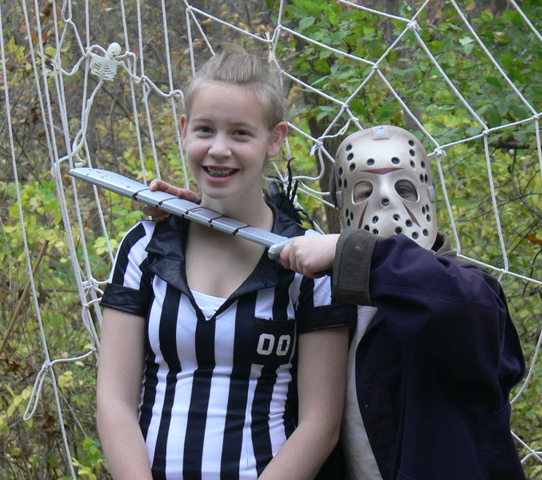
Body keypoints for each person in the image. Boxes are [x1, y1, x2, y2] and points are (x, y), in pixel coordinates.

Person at [96, 46, 353, 480]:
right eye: (205, 130)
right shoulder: (145, 247)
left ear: (275, 139)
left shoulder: (309, 263)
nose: (218, 149)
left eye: (240, 134)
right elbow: (114, 400)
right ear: (183, 130)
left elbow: (320, 424)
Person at [278, 125, 527, 480]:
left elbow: (458, 308)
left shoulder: (467, 291)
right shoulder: (325, 299)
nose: (385, 200)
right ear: (343, 206)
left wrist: (359, 255)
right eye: (364, 191)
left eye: (404, 188)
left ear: (428, 195)